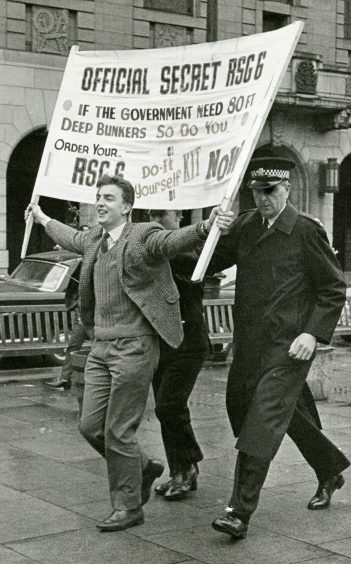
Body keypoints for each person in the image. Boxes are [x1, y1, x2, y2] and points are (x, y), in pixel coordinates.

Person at [25, 175, 232, 533]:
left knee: (118, 430)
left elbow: (171, 241)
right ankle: (144, 467)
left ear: (126, 207)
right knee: (90, 427)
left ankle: (128, 506)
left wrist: (206, 225)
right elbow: (68, 236)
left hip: (135, 347)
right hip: (101, 348)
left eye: (109, 198)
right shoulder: (93, 239)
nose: (101, 203)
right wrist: (41, 217)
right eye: (98, 197)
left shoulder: (142, 235)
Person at [208, 157, 351, 539]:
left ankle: (238, 512)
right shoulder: (245, 226)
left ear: (286, 189)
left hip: (290, 348)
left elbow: (333, 287)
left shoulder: (305, 230)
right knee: (250, 409)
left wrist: (313, 334)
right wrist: (211, 230)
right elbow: (208, 262)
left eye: (270, 191)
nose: (263, 198)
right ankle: (329, 469)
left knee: (262, 422)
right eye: (256, 191)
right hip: (250, 345)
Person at [148, 210, 209, 500]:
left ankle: (190, 464)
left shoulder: (186, 252)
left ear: (179, 216)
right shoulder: (149, 249)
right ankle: (179, 472)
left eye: (164, 214)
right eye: (151, 214)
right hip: (161, 342)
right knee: (167, 408)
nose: (157, 219)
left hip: (187, 342)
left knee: (168, 406)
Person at [44, 263, 88, 395]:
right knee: (73, 346)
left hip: (92, 315)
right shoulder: (85, 261)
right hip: (83, 314)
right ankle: (65, 378)